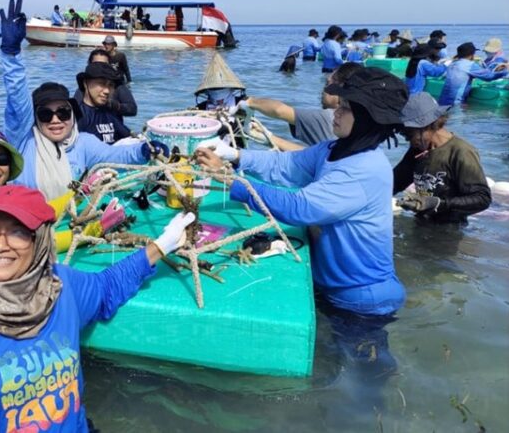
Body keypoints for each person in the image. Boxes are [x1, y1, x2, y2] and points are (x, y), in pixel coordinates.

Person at [0, 183, 195, 432]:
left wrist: (162, 244)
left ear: (41, 241)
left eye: (18, 232)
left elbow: (107, 286)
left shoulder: (61, 286)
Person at [195, 67, 409, 316]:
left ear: (368, 119)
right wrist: (234, 155)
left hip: (362, 296)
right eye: (340, 104)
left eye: (347, 108)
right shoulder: (334, 149)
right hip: (340, 287)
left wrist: (231, 181)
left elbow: (299, 208)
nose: (335, 113)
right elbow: (286, 166)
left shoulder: (364, 169)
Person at [0, 0, 167, 200]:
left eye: (62, 112)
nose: (55, 120)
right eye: (45, 114)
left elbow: (116, 156)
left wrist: (145, 150)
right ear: (34, 118)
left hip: (66, 222)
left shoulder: (83, 143)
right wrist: (11, 55)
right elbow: (18, 99)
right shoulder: (24, 139)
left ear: (71, 113)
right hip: (23, 225)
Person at [0, 125, 124, 286]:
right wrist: (97, 229)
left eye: (1, 159)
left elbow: (42, 209)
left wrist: (82, 191)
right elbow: (38, 243)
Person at [393, 93, 491, 224]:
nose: (409, 141)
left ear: (428, 126)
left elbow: (482, 199)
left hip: (448, 231)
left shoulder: (461, 152)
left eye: (410, 135)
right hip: (421, 224)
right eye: (405, 136)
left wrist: (438, 203)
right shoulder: (418, 150)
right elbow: (395, 182)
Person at [230, 62, 365, 151]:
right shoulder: (365, 124)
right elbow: (315, 155)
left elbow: (279, 111)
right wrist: (271, 138)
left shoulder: (329, 117)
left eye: (327, 84)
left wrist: (248, 102)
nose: (322, 90)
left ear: (340, 89)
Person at [76, 62, 134, 144]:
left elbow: (128, 136)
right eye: (101, 83)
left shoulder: (109, 113)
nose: (107, 91)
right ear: (85, 83)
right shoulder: (77, 117)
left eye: (110, 85)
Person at [438, 42, 508, 106]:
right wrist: (505, 72)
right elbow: (489, 77)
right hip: (456, 102)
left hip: (442, 100)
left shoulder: (452, 63)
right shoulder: (470, 65)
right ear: (471, 55)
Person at [74, 49, 137, 118]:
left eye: (104, 65)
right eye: (96, 64)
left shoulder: (117, 86)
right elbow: (75, 111)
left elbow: (132, 109)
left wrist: (113, 106)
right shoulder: (84, 88)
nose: (100, 68)